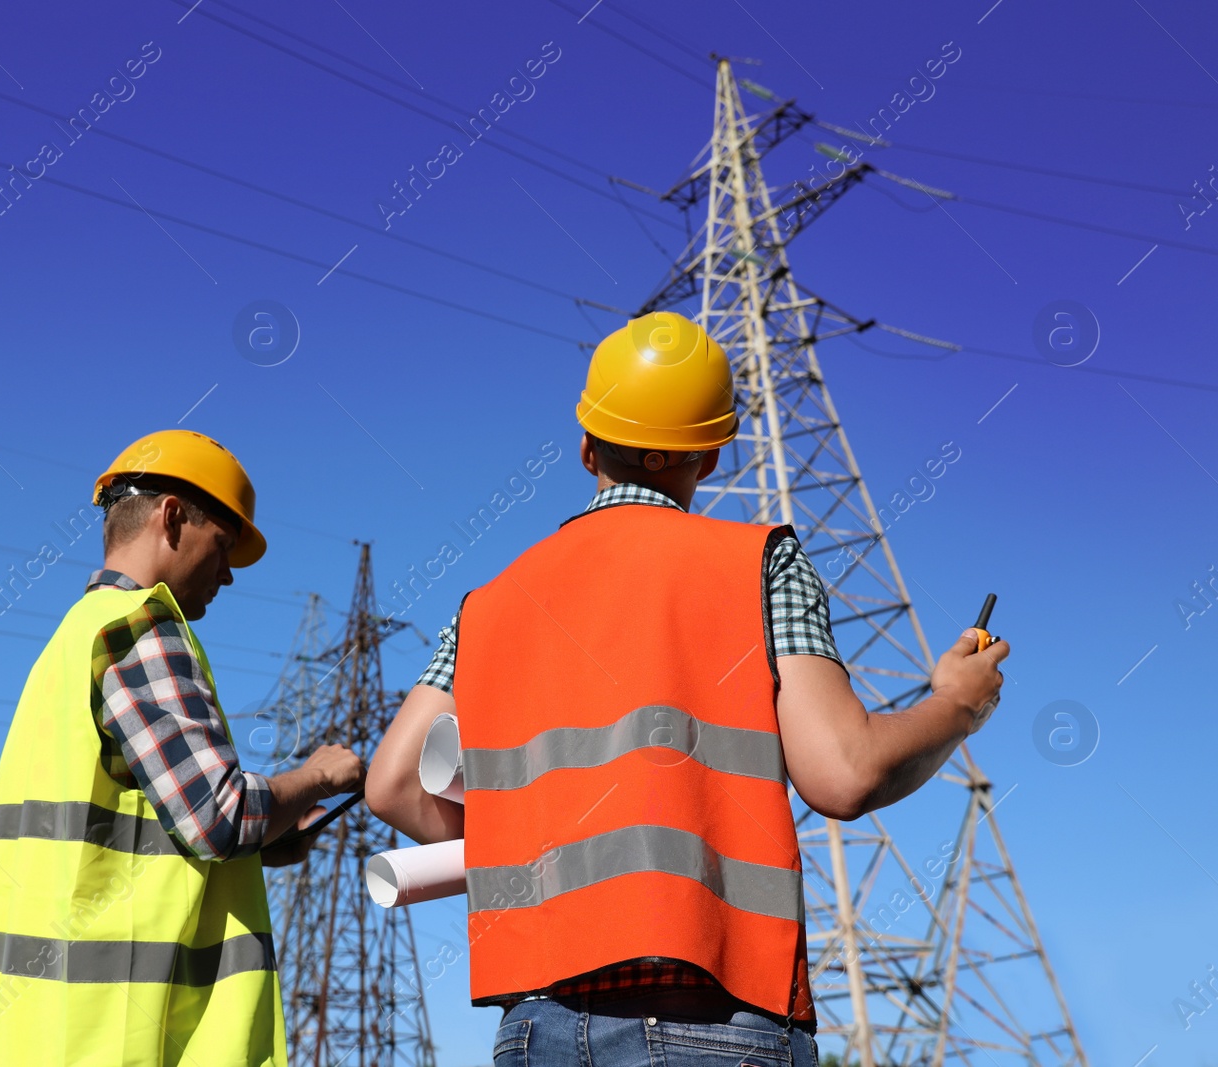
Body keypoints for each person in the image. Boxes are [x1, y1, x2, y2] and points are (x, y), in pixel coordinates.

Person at [366, 313, 1008, 1067]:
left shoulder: (489, 604)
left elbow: (395, 782)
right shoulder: (756, 563)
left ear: (585, 446)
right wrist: (956, 705)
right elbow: (845, 771)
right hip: (713, 1016)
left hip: (535, 1029)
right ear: (708, 456)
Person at [0, 429, 364, 1067]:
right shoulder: (142, 629)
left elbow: (132, 838)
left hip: (29, 1033)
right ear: (173, 517)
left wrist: (267, 842)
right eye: (223, 547)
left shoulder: (74, 639)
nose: (227, 576)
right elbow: (221, 815)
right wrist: (319, 777)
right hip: (113, 1037)